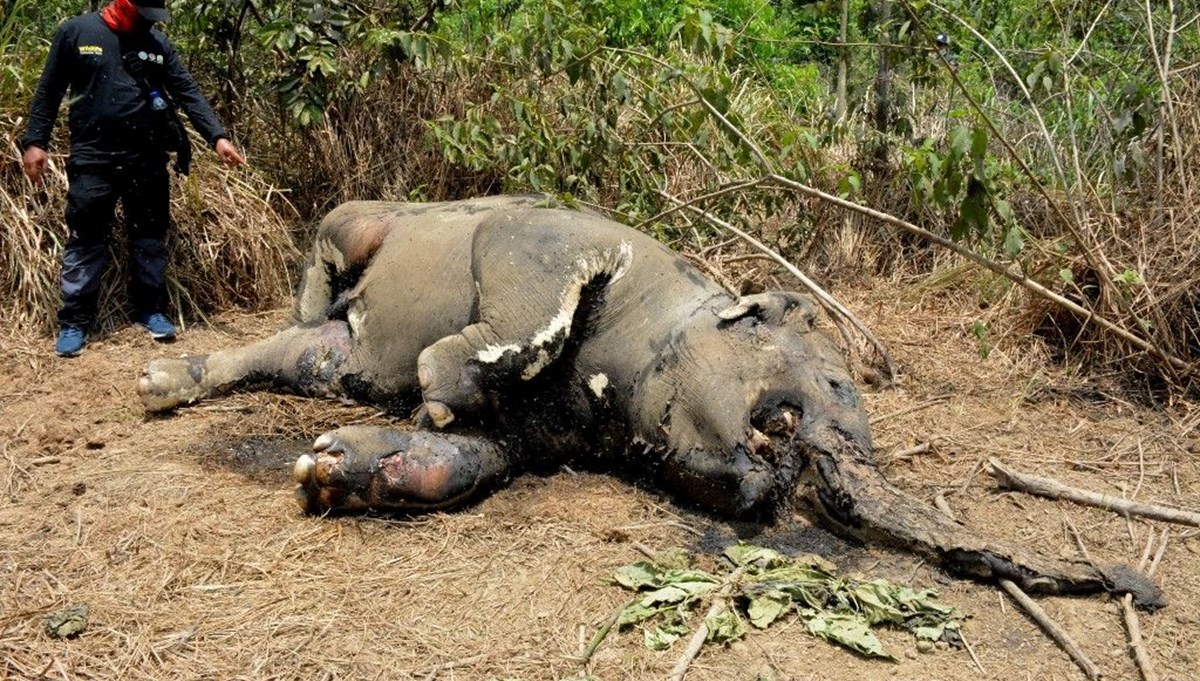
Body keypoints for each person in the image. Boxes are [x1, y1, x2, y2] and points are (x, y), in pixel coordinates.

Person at [20, 0, 246, 357]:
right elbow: (49, 90)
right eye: (143, 15)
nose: (148, 23)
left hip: (147, 160)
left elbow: (187, 91)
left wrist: (217, 137)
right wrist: (35, 142)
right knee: (87, 236)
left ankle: (151, 310)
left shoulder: (156, 45)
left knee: (150, 236)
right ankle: (75, 322)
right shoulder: (76, 32)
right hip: (93, 158)